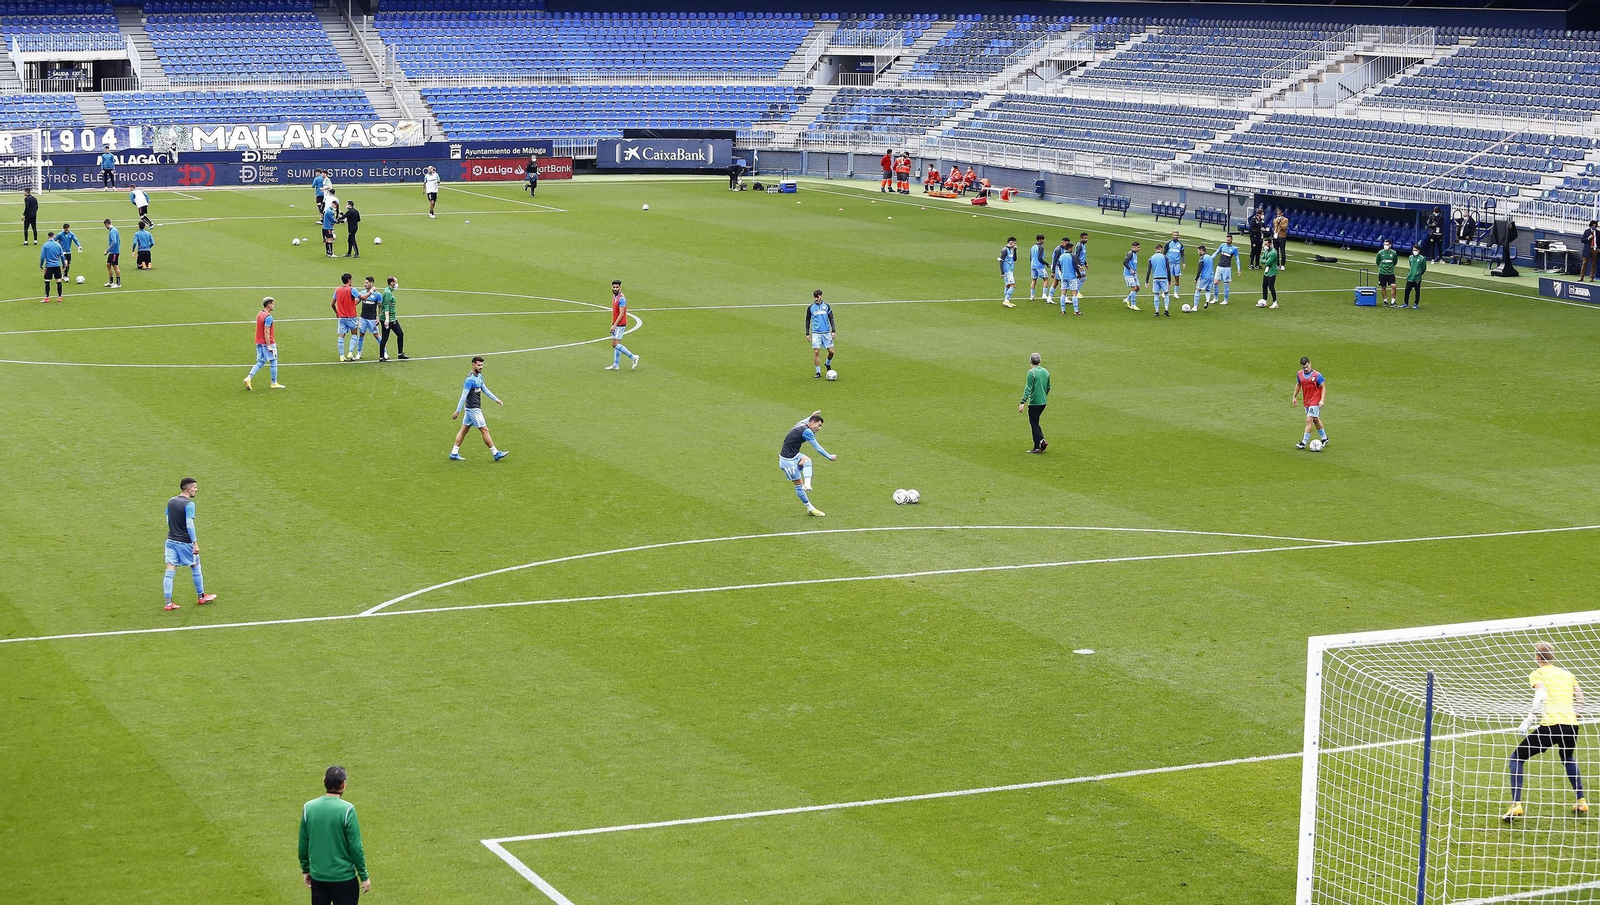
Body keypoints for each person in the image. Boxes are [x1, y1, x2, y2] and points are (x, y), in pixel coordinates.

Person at [1502, 642, 1587, 822]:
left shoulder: (1538, 673)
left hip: (1550, 726)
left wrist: (1529, 720)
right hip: (1571, 726)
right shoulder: (1567, 674)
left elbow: (1541, 695)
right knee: (1567, 757)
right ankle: (1581, 801)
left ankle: (1516, 804)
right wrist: (1575, 715)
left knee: (1517, 757)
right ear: (1552, 657)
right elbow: (1581, 699)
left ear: (1538, 657)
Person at [299, 765, 371, 905]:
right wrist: (364, 875)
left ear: (324, 781)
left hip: (318, 878)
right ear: (343, 784)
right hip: (344, 879)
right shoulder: (347, 810)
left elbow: (303, 842)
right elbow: (355, 847)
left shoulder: (309, 807)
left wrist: (306, 869)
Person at [162, 477, 217, 611]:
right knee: (195, 566)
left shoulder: (171, 501)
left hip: (170, 541)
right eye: (195, 487)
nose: (196, 490)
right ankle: (201, 596)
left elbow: (168, 519)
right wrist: (195, 543)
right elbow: (190, 525)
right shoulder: (189, 504)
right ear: (188, 489)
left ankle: (168, 603)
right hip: (185, 542)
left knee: (169, 571)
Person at [450, 356, 507, 461]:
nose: (481, 367)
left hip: (471, 409)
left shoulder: (479, 377)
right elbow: (463, 396)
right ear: (473, 365)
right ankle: (495, 453)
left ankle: (454, 453)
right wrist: (457, 411)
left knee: (464, 430)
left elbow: (485, 389)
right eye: (479, 365)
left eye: (482, 365)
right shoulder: (469, 380)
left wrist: (496, 399)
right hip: (473, 409)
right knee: (485, 430)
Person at [779, 411, 834, 517]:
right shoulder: (807, 432)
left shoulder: (801, 424)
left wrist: (812, 415)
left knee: (807, 460)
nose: (819, 428)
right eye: (819, 425)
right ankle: (810, 508)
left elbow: (806, 420)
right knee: (798, 485)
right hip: (787, 461)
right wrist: (830, 456)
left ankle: (807, 484)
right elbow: (818, 448)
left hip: (795, 456)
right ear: (813, 422)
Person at [244, 297, 285, 390]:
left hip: (259, 342)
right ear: (268, 304)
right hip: (267, 343)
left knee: (260, 362)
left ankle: (248, 378)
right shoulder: (268, 317)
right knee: (274, 361)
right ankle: (274, 382)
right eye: (272, 303)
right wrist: (269, 345)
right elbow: (266, 331)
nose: (274, 305)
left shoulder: (260, 313)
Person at [1291, 356, 1328, 451]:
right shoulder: (1299, 374)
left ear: (1310, 363)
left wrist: (1322, 400)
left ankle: (1303, 442)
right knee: (1315, 419)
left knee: (1309, 420)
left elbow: (1323, 387)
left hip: (1315, 401)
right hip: (1306, 401)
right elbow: (1298, 384)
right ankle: (1324, 438)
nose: (1306, 369)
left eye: (1307, 366)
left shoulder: (1317, 375)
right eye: (1304, 367)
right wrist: (1294, 396)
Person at [605, 279, 640, 371]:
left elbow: (621, 313)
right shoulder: (615, 296)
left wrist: (614, 325)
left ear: (620, 287)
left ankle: (633, 357)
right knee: (617, 344)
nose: (615, 289)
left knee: (615, 344)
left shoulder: (621, 299)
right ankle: (616, 364)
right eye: (614, 287)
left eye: (617, 287)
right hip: (616, 323)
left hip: (620, 324)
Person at [1019, 352, 1050, 453]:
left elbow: (1028, 388)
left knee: (1034, 423)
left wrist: (1023, 402)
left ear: (1030, 362)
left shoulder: (1031, 373)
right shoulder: (1046, 371)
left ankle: (1037, 446)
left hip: (1035, 402)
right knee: (1035, 422)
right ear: (1040, 361)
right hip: (1043, 402)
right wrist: (1043, 396)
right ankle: (1042, 441)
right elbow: (1048, 387)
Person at [805, 288, 835, 378]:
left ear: (821, 296)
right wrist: (807, 333)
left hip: (826, 332)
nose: (816, 299)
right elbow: (807, 320)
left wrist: (833, 331)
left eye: (818, 297)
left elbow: (831, 318)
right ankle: (818, 372)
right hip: (816, 333)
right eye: (815, 297)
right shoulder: (811, 308)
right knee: (816, 352)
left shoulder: (827, 306)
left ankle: (827, 363)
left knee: (831, 352)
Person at [331, 273, 361, 361]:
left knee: (341, 335)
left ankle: (341, 356)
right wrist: (370, 292)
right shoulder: (352, 289)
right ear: (349, 280)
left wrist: (337, 312)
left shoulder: (337, 290)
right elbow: (361, 297)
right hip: (351, 317)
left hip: (341, 317)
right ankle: (350, 353)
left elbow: (332, 304)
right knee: (354, 334)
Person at [378, 277, 406, 362]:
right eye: (396, 282)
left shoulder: (389, 291)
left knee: (400, 334)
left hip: (393, 318)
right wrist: (386, 319)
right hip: (388, 319)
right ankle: (381, 357)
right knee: (385, 338)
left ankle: (400, 353)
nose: (397, 284)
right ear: (392, 283)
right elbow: (386, 306)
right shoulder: (387, 293)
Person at [355, 276, 382, 360]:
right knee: (361, 334)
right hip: (363, 318)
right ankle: (358, 353)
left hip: (372, 319)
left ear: (371, 283)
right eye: (365, 283)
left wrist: (378, 317)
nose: (365, 284)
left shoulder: (377, 295)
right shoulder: (362, 293)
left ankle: (384, 352)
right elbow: (355, 302)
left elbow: (380, 307)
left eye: (367, 283)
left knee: (376, 335)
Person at [1063, 232, 1089, 316]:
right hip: (1078, 265)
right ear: (1081, 238)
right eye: (1085, 238)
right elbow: (1076, 256)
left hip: (1081, 264)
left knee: (1082, 277)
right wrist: (1078, 265)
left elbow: (1082, 256)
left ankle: (1076, 290)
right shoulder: (1079, 245)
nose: (1086, 239)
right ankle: (1076, 291)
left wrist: (1085, 263)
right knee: (1081, 277)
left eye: (1087, 238)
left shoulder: (1083, 245)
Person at [1146, 243, 1172, 317]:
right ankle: (1166, 310)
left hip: (1155, 278)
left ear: (1155, 249)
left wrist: (1147, 281)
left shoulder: (1151, 258)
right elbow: (1168, 269)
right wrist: (1169, 280)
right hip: (1164, 278)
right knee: (1166, 294)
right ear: (1161, 249)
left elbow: (1149, 270)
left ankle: (1157, 311)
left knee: (1156, 295)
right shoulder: (1165, 257)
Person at [39, 230, 64, 303]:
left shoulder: (45, 245)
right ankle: (59, 297)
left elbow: (42, 257)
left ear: (48, 236)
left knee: (47, 281)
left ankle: (47, 298)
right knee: (58, 280)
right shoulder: (58, 245)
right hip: (57, 265)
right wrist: (64, 265)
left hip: (49, 266)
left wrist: (41, 265)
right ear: (54, 236)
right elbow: (62, 256)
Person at [1213, 234, 1239, 306]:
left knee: (1226, 284)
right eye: (1227, 240)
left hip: (1227, 268)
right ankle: (1215, 298)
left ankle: (1225, 300)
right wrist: (1211, 258)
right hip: (1219, 266)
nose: (1227, 241)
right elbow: (1216, 252)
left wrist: (1239, 269)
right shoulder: (1222, 245)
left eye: (1229, 240)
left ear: (1232, 240)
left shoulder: (1234, 249)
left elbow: (1237, 259)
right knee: (1215, 282)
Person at [1046, 236, 1071, 307]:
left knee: (1056, 282)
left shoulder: (1063, 249)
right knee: (1063, 282)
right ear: (1063, 242)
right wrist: (1053, 271)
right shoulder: (1058, 250)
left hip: (1060, 268)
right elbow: (1054, 261)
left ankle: (1049, 298)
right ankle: (1064, 298)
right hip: (1057, 268)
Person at [1375, 238, 1400, 308]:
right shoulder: (1380, 253)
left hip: (1390, 273)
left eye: (1387, 244)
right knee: (1383, 287)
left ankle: (1393, 301)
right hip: (1382, 272)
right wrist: (1382, 267)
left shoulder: (1394, 253)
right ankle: (1385, 301)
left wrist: (1390, 267)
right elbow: (1377, 262)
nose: (1385, 246)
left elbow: (1395, 262)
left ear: (1390, 245)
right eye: (1384, 244)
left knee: (1393, 286)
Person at [1191, 243, 1214, 311]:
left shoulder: (1202, 258)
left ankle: (1195, 307)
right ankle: (1207, 300)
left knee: (1198, 290)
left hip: (1204, 276)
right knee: (1208, 290)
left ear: (1201, 250)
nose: (1198, 252)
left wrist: (1196, 278)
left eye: (1198, 251)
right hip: (1211, 276)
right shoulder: (1210, 257)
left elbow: (1200, 268)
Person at [1403, 245, 1426, 309]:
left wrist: (1419, 273)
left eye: (1416, 250)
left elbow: (1424, 268)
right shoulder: (1410, 257)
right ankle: (1406, 303)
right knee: (1407, 291)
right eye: (1413, 250)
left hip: (1417, 278)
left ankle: (1416, 304)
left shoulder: (1422, 258)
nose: (1414, 251)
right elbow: (1411, 265)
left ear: (1419, 251)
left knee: (1417, 292)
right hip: (1410, 277)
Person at [1121, 241, 1142, 311]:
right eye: (1138, 247)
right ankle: (1133, 305)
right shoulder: (1130, 254)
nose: (1139, 249)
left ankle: (1127, 299)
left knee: (1138, 288)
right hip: (1128, 274)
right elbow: (1124, 262)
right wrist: (1130, 269)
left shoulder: (1135, 254)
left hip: (1133, 274)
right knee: (1134, 288)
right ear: (1134, 247)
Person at [997, 236, 1018, 308]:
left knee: (1008, 285)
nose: (1015, 245)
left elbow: (1015, 259)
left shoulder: (1011, 250)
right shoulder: (1004, 250)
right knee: (1013, 286)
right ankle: (1006, 300)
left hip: (1010, 270)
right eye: (1014, 243)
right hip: (1007, 270)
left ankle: (1007, 301)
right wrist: (1002, 273)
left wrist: (1015, 250)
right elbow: (1001, 261)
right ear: (1011, 242)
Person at [1028, 234, 1048, 300]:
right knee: (1046, 279)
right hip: (1039, 266)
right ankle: (1044, 294)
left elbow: (1030, 257)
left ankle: (1032, 296)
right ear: (1040, 240)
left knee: (1034, 280)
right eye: (1043, 239)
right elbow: (1039, 258)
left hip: (1033, 265)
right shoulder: (1041, 247)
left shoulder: (1032, 247)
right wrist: (1046, 264)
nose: (1044, 241)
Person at [102, 219, 121, 288]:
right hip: (112, 252)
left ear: (107, 224)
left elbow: (114, 242)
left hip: (114, 252)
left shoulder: (113, 231)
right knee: (108, 265)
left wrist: (107, 251)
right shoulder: (114, 230)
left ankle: (118, 283)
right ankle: (111, 282)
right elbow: (119, 240)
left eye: (105, 225)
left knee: (115, 267)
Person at [1261, 241, 1280, 308]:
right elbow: (1261, 259)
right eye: (1264, 244)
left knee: (1271, 287)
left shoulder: (1273, 252)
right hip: (1267, 271)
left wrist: (1264, 261)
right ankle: (1264, 301)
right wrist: (1264, 261)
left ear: (1270, 244)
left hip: (1272, 271)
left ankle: (1275, 302)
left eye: (1266, 244)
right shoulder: (1266, 251)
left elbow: (1268, 263)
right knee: (1264, 286)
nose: (1265, 245)